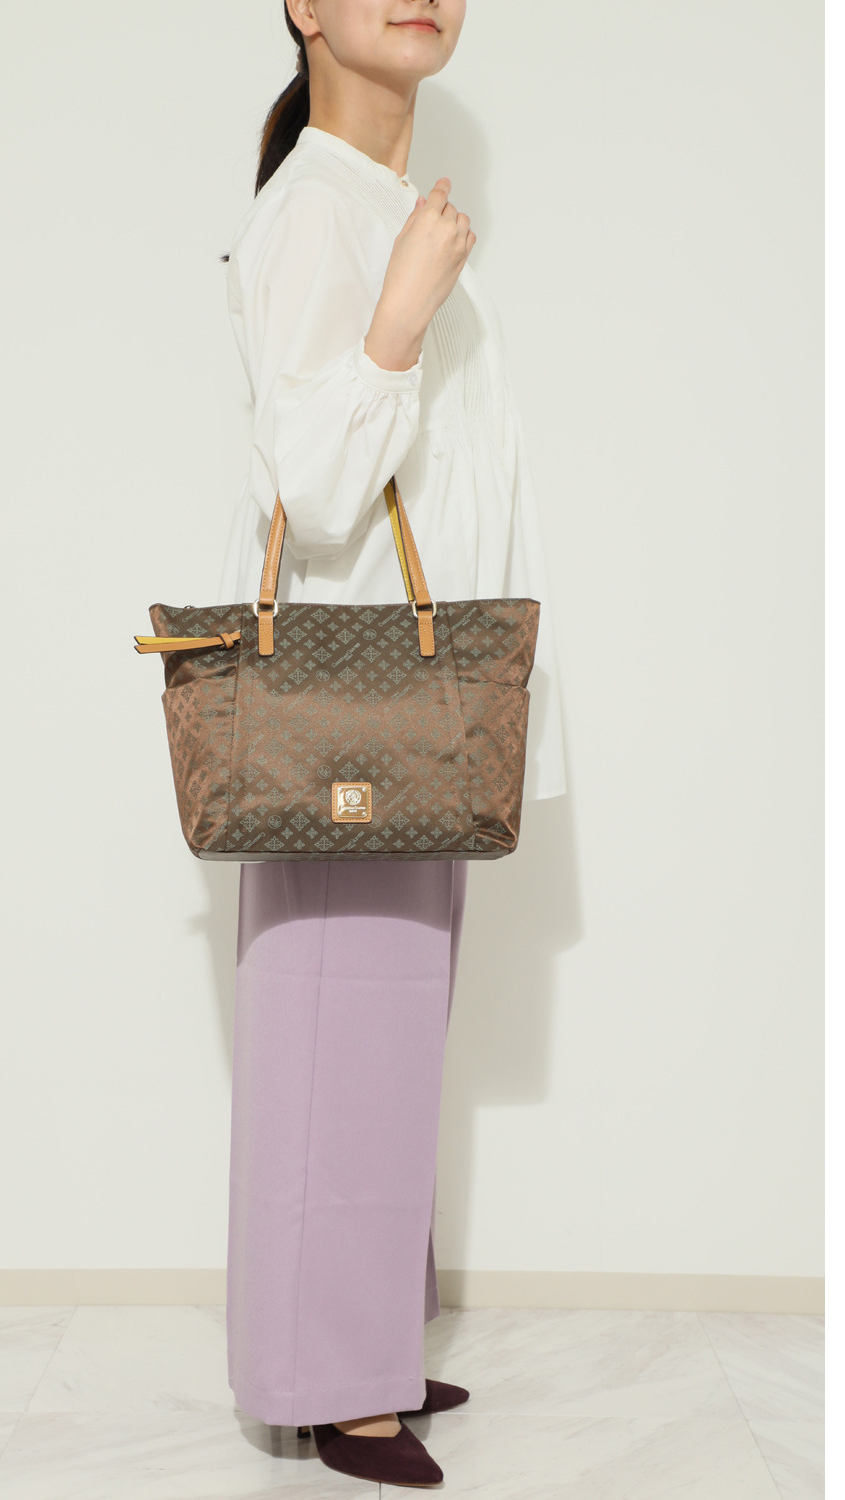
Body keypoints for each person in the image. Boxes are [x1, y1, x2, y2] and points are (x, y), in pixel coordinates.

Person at [218, 1, 565, 1486]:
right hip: (349, 708)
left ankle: (352, 1341)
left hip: (423, 702)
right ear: (301, 6)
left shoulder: (380, 201)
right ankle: (331, 1379)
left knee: (378, 1034)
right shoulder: (315, 211)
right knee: (336, 1031)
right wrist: (402, 314)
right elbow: (312, 486)